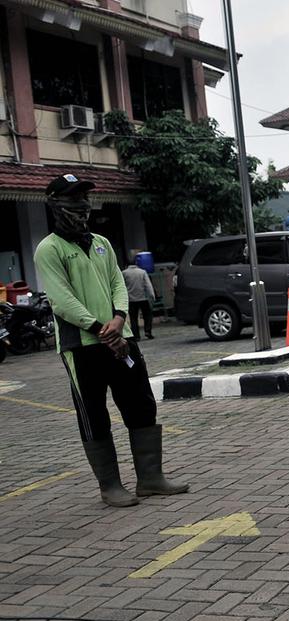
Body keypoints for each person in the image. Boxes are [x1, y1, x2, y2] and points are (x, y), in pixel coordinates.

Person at [33, 174, 188, 507]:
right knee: (93, 412)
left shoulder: (101, 243)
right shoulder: (49, 249)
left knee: (141, 403)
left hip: (122, 337)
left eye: (84, 200)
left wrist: (119, 320)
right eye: (73, 200)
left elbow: (118, 283)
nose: (81, 207)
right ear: (56, 205)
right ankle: (110, 486)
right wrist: (101, 328)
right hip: (82, 345)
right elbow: (61, 300)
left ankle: (150, 478)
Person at [122, 261, 157, 340]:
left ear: (126, 265)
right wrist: (152, 296)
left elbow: (122, 286)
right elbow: (148, 285)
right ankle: (148, 331)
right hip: (143, 298)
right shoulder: (142, 272)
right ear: (136, 264)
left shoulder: (124, 273)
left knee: (133, 318)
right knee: (147, 315)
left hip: (131, 299)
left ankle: (136, 335)